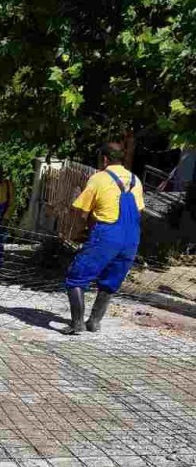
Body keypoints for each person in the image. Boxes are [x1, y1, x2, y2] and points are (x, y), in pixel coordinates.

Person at [62, 141, 144, 334]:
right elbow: (139, 211)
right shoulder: (136, 180)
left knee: (76, 277)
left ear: (105, 159)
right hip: (132, 238)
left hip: (107, 234)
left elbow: (82, 212)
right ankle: (94, 322)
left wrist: (77, 232)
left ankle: (77, 324)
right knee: (111, 280)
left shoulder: (98, 179)